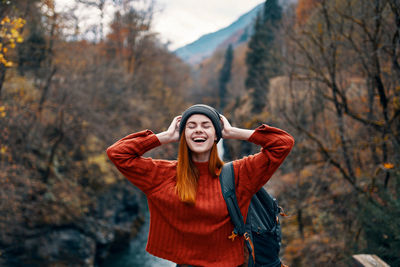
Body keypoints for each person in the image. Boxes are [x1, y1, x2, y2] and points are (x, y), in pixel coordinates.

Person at [106, 104, 294, 267]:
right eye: (191, 126)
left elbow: (282, 144)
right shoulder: (162, 175)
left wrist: (232, 132)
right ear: (183, 134)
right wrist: (166, 136)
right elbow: (117, 153)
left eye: (206, 126)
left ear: (215, 135)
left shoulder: (240, 175)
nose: (198, 130)